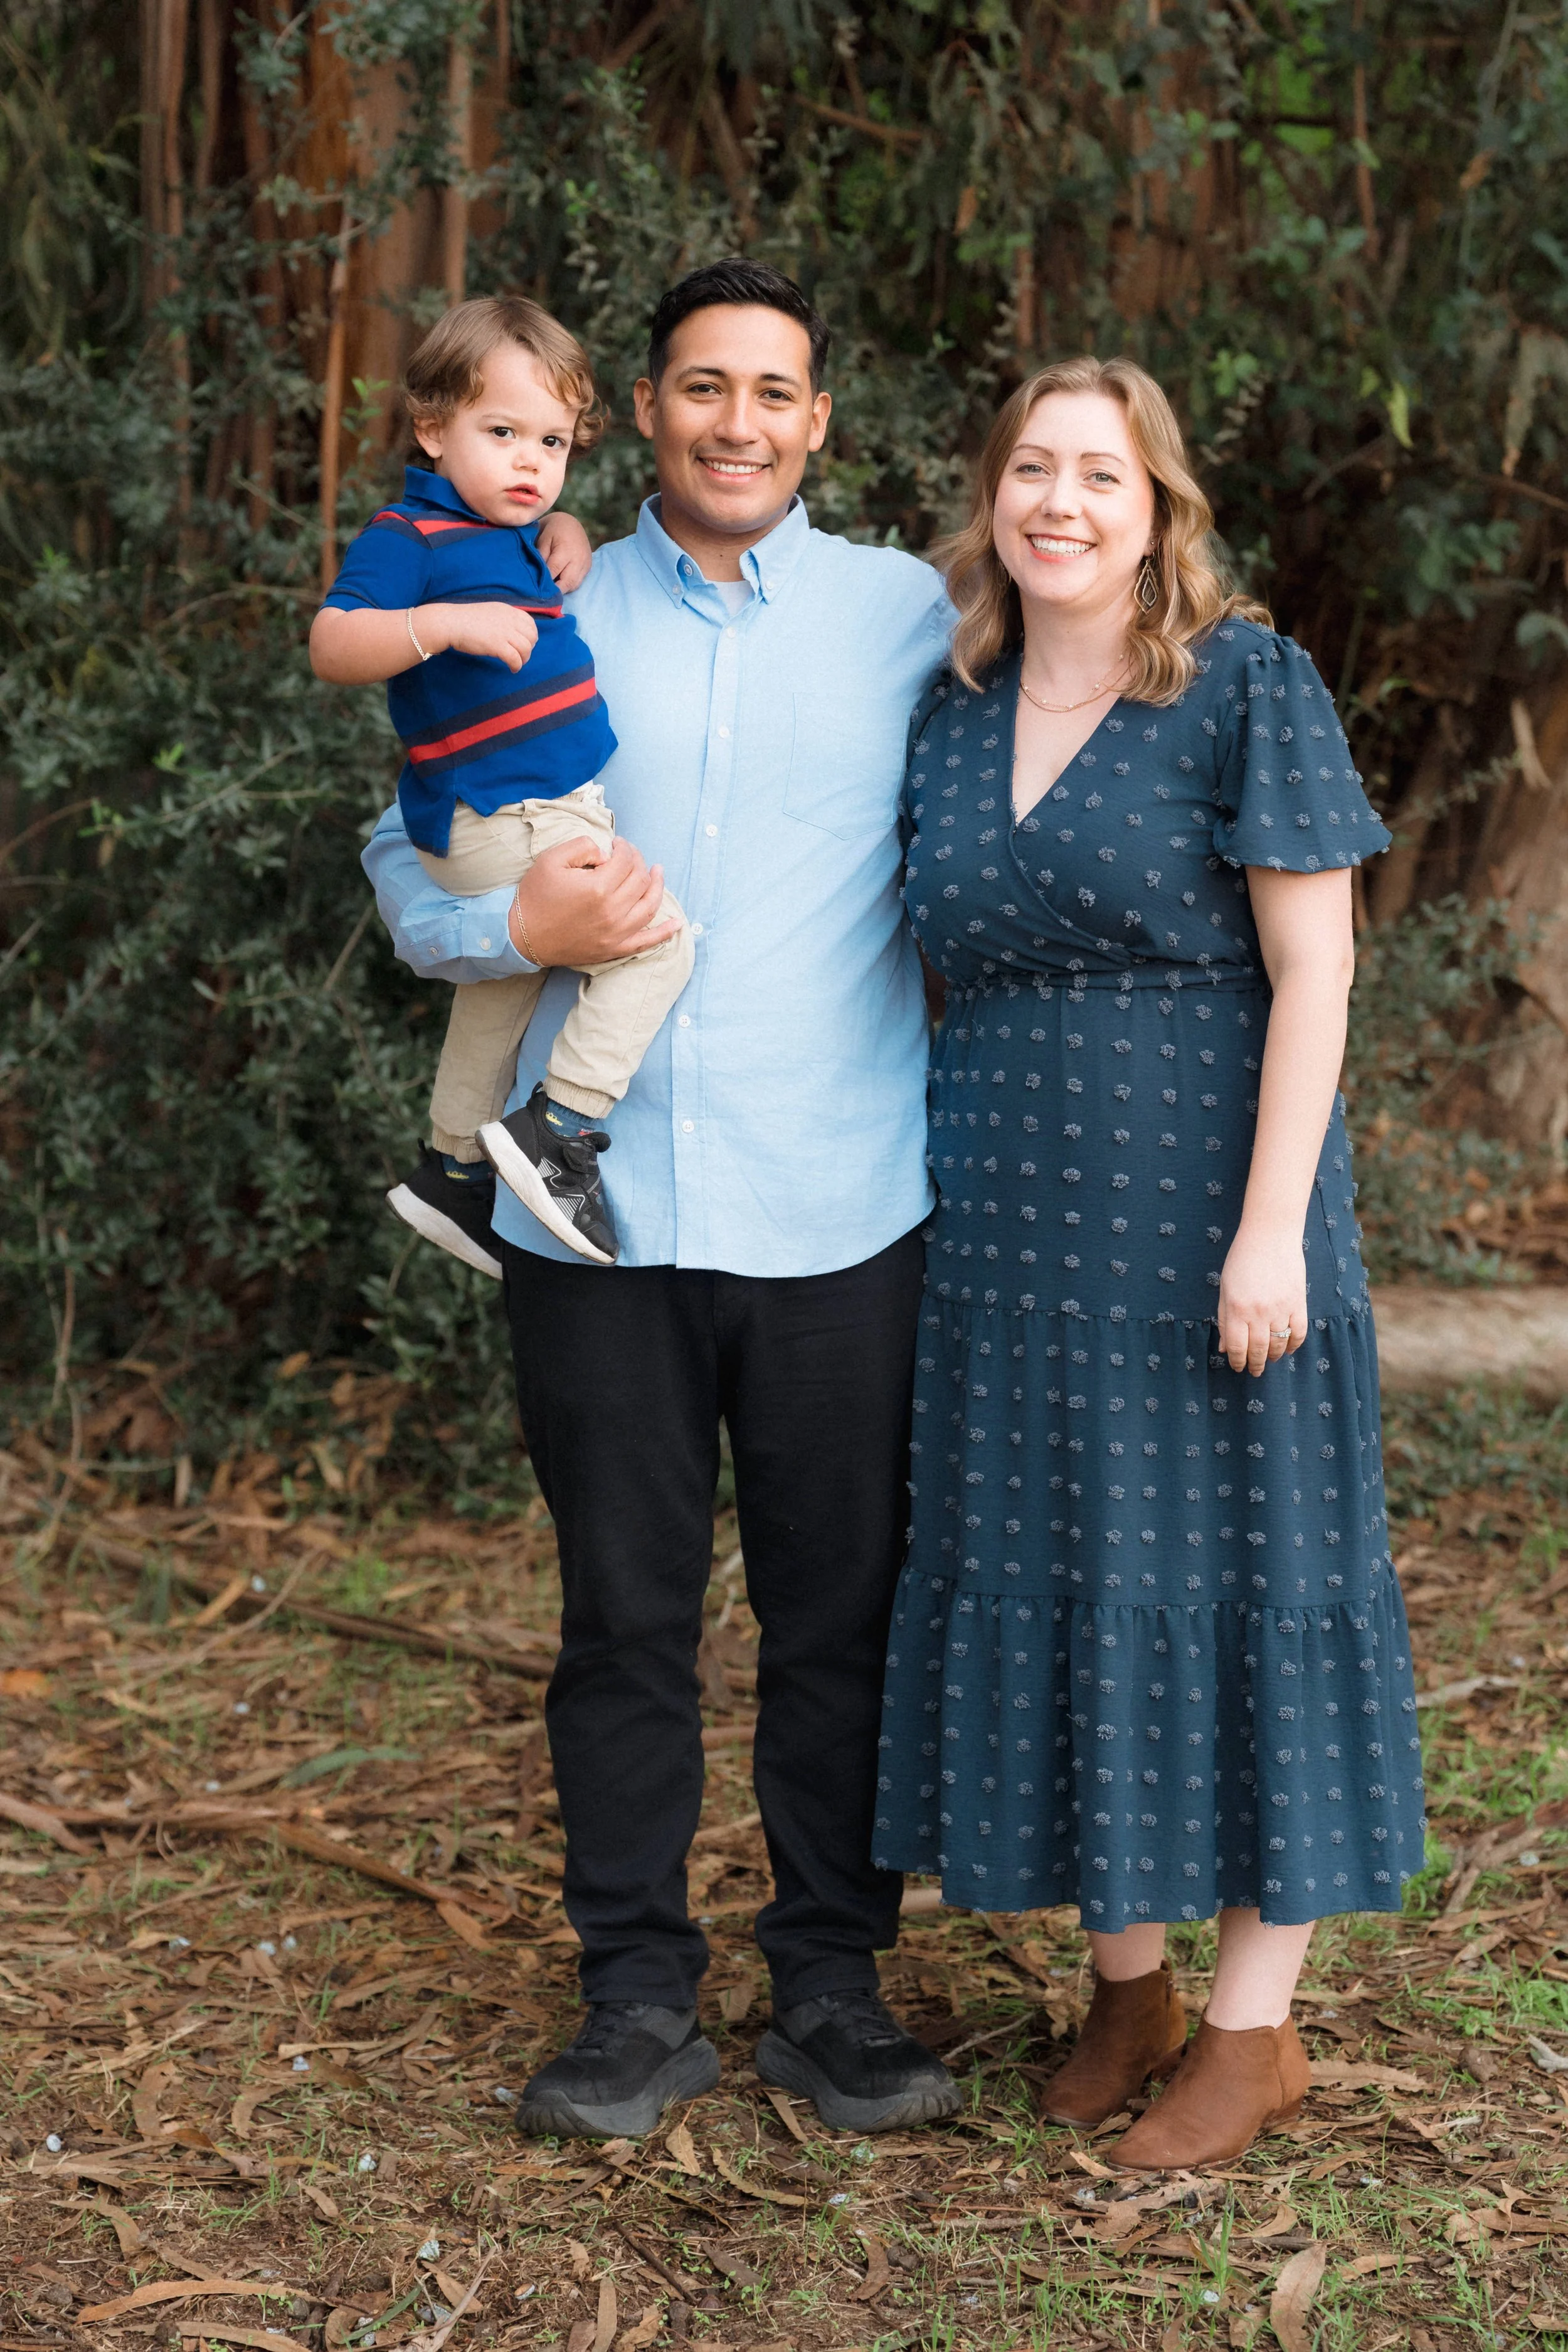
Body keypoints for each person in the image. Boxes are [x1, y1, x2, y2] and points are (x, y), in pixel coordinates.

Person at [363, 260, 963, 2139]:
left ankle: (830, 1982)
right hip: (590, 1214)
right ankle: (631, 1991)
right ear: (643, 409)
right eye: (703, 388)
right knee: (620, 1617)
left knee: (834, 1610)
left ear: (818, 422)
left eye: (772, 393)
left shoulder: (910, 615)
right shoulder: (540, 583)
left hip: (840, 1202)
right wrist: (501, 926)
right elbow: (411, 831)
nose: (737, 423)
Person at [872, 354, 1424, 2170]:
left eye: (1099, 475)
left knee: (1250, 1584)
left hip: (1208, 1224)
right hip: (1010, 1238)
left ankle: (1253, 2032)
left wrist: (1270, 1228)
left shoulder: (1240, 684)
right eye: (1031, 468)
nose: (1060, 502)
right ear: (992, 498)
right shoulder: (948, 711)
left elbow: (1318, 970)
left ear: (1158, 506)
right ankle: (1130, 1989)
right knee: (1052, 1575)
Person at [312, 296, 694, 1273]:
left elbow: (537, 524)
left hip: (521, 804)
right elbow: (333, 642)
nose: (532, 461)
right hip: (502, 808)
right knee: (658, 944)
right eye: (503, 432)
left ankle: (452, 1165)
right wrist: (443, 628)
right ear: (433, 427)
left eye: (554, 443)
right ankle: (557, 1132)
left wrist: (558, 527)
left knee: (508, 979)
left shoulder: (501, 527)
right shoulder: (413, 536)